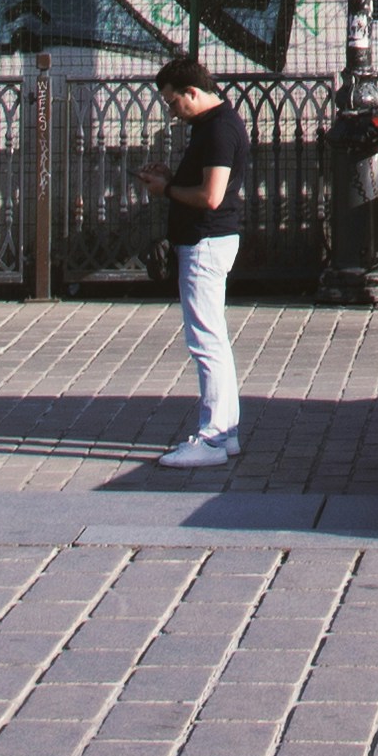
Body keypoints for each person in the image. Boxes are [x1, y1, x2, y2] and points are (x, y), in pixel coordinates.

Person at [139, 53, 246, 468]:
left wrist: (166, 190)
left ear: (191, 92)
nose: (171, 110)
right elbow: (203, 185)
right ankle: (226, 433)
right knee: (211, 338)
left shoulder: (218, 130)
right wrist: (171, 178)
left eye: (172, 102)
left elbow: (211, 196)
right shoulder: (212, 126)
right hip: (208, 240)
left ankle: (213, 438)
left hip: (206, 241)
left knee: (206, 342)